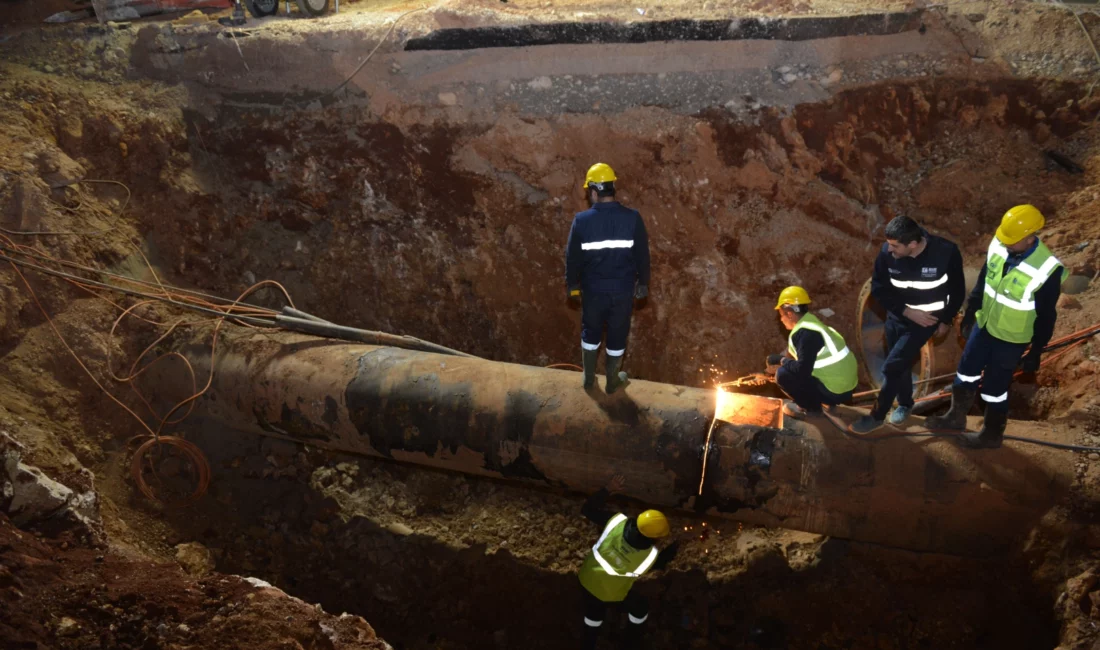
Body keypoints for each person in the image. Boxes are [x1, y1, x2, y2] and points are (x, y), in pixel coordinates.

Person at [926, 205, 1063, 449]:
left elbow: (1046, 316)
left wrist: (1036, 351)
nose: (1006, 243)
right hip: (985, 324)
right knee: (965, 372)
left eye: (1012, 240)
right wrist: (971, 313)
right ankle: (955, 417)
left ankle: (991, 434)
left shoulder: (1046, 269)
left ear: (1030, 237)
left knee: (994, 388)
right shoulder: (1000, 245)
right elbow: (984, 281)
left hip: (1011, 339)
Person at [849, 216, 965, 434]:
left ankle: (877, 416)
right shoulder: (887, 254)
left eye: (895, 246)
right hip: (897, 317)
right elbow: (879, 288)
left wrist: (946, 319)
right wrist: (905, 311)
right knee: (900, 364)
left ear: (912, 244)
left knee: (892, 367)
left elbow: (957, 290)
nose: (889, 249)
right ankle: (905, 404)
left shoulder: (945, 252)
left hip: (925, 321)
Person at [565, 163, 651, 393]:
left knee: (590, 331)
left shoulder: (582, 221)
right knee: (618, 333)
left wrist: (572, 286)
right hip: (622, 291)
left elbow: (572, 258)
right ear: (612, 187)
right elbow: (642, 255)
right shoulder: (633, 218)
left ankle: (588, 379)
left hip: (593, 291)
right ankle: (612, 381)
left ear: (594, 191)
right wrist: (643, 283)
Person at [578, 474, 679, 650]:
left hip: (586, 578)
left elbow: (587, 509)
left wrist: (608, 489)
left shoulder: (616, 522)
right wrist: (678, 543)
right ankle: (630, 642)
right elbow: (662, 562)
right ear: (655, 538)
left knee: (594, 614)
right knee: (640, 608)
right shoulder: (648, 556)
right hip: (609, 594)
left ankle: (588, 643)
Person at [767, 286, 858, 419]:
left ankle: (812, 408)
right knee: (788, 369)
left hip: (836, 391)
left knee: (782, 375)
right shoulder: (811, 323)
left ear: (790, 314)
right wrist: (771, 368)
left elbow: (802, 370)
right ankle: (826, 401)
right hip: (846, 385)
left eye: (781, 315)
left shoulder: (805, 334)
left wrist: (780, 360)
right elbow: (797, 354)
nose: (781, 319)